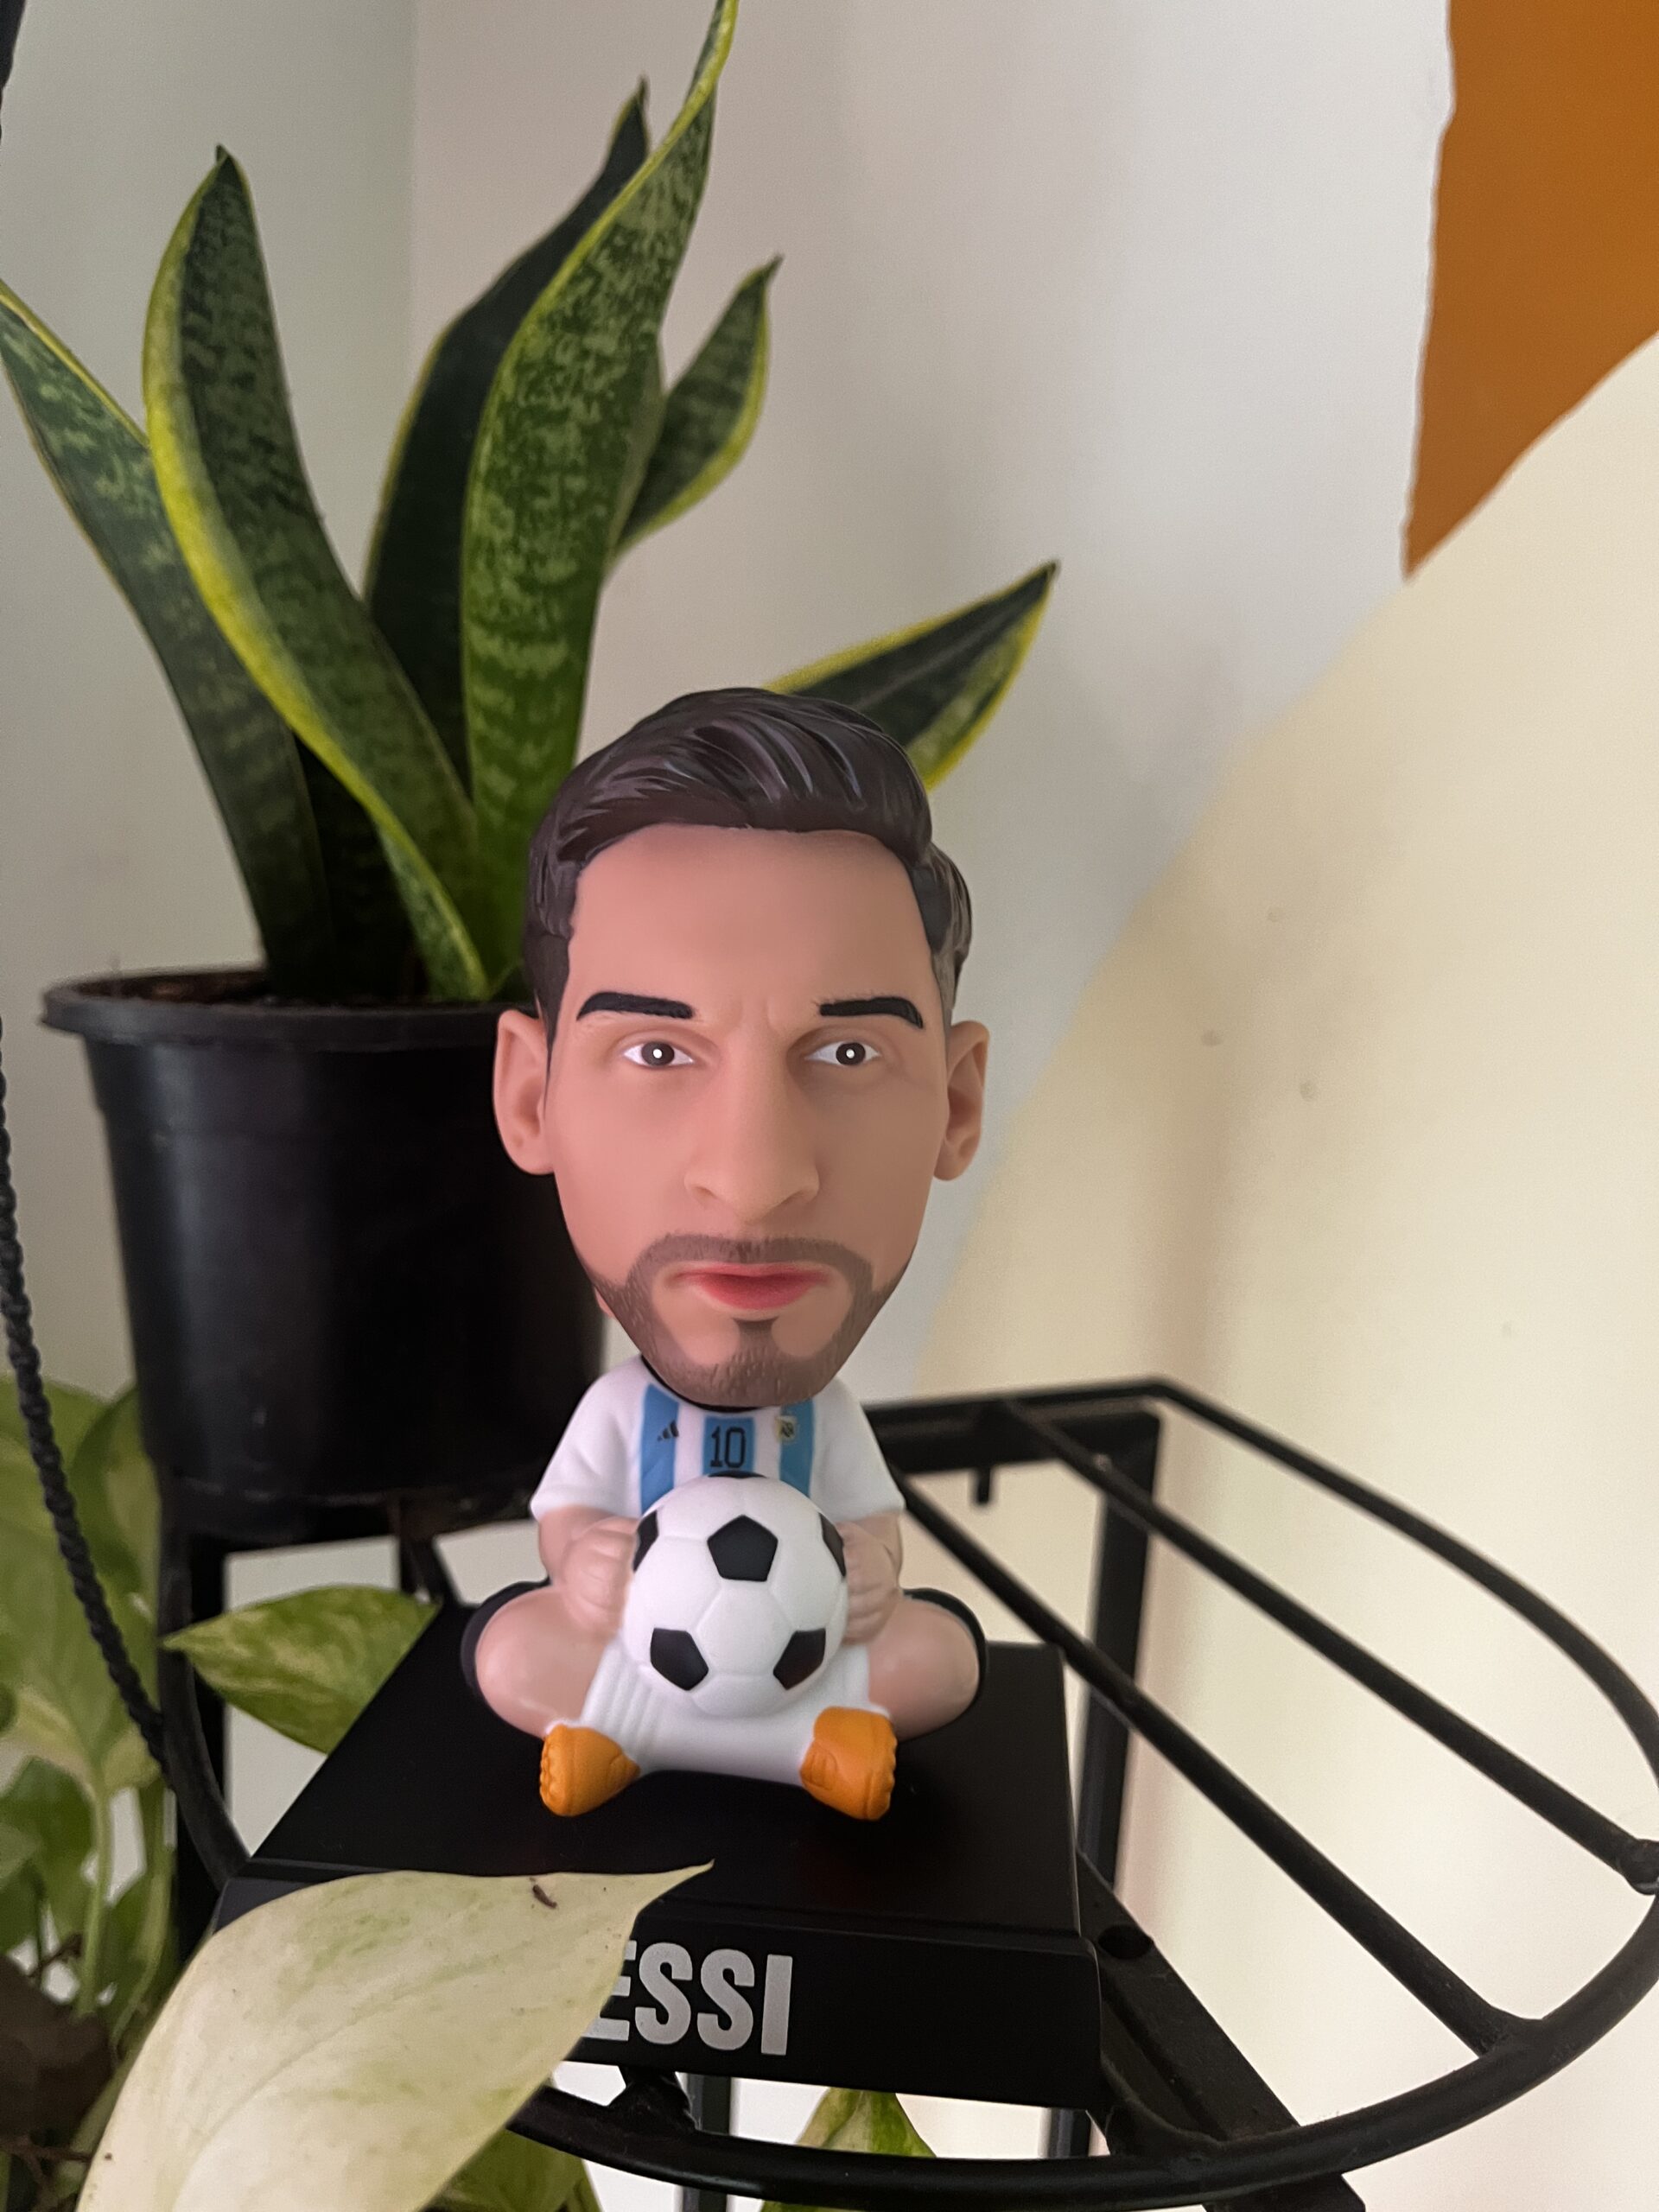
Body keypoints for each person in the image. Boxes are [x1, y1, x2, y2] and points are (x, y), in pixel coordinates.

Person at [466, 688, 989, 1820]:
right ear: (530, 1097)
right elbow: (569, 1518)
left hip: (807, 1648)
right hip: (640, 1645)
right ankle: (787, 1745)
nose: (755, 1181)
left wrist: (873, 1571)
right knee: (513, 1652)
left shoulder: (826, 1426)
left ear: (956, 1104)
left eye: (847, 1052)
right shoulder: (618, 1417)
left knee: (938, 1659)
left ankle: (651, 1739)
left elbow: (872, 1523)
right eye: (658, 1051)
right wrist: (581, 1563)